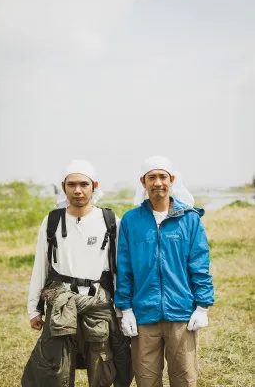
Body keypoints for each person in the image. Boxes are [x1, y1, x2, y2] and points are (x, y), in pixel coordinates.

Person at [22, 160, 131, 387]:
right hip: (60, 304)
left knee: (102, 367)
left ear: (94, 186)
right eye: (72, 184)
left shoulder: (110, 222)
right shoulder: (52, 221)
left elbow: (119, 270)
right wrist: (34, 308)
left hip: (98, 305)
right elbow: (40, 266)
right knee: (56, 369)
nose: (78, 190)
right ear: (64, 187)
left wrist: (122, 310)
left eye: (84, 184)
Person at [115, 156, 214, 387]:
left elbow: (199, 265)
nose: (158, 182)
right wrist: (126, 308)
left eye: (163, 176)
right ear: (143, 182)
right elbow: (125, 266)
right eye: (152, 177)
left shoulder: (189, 219)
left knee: (184, 378)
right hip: (143, 314)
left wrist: (202, 306)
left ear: (172, 180)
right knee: (146, 380)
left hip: (181, 313)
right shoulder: (131, 220)